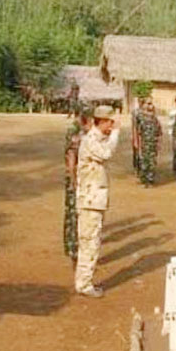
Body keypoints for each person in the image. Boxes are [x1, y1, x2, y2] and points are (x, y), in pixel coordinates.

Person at [74, 105, 120, 298]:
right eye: (110, 122)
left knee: (92, 241)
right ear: (101, 121)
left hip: (94, 200)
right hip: (90, 201)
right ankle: (84, 284)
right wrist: (116, 134)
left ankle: (84, 281)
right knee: (90, 242)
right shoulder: (90, 140)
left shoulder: (96, 138)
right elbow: (106, 153)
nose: (112, 125)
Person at [64, 106, 93, 265]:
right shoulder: (75, 131)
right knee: (75, 214)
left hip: (77, 177)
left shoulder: (77, 129)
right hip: (76, 178)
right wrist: (74, 181)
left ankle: (71, 247)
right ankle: (74, 249)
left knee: (72, 213)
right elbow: (71, 157)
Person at [137, 100, 163, 187]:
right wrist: (138, 144)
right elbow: (138, 132)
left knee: (152, 163)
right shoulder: (140, 117)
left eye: (151, 104)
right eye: (148, 104)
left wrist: (159, 143)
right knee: (144, 162)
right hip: (144, 143)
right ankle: (144, 180)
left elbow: (159, 132)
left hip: (153, 144)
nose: (150, 106)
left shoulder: (155, 119)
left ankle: (150, 180)